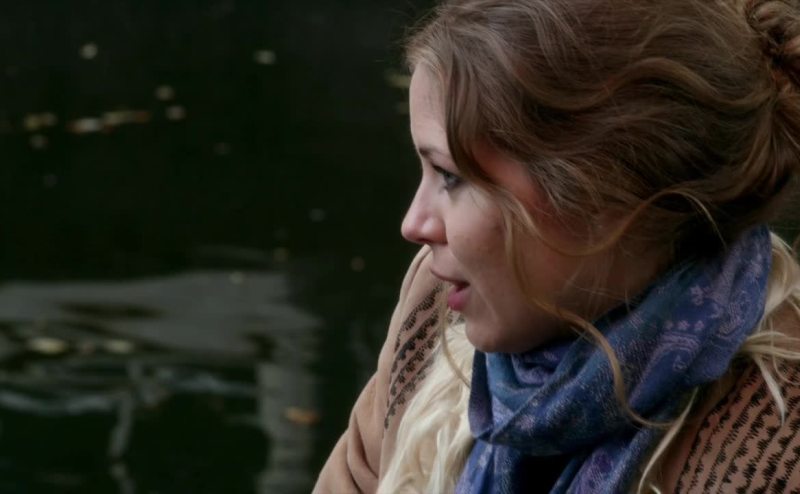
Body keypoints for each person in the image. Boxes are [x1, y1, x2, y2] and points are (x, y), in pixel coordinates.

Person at [315, 0, 800, 492]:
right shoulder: (436, 306)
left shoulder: (773, 456)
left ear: (602, 193)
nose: (414, 224)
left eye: (449, 176)